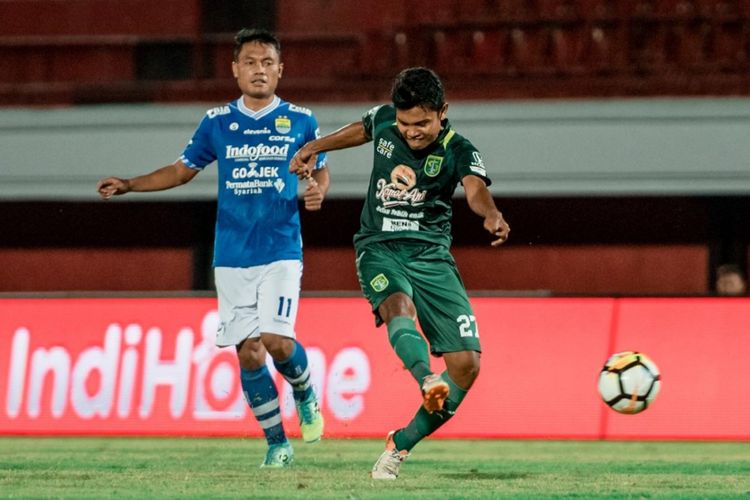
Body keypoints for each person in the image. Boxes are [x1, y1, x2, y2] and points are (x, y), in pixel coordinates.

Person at [97, 28, 328, 468]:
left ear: (280, 69)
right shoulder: (217, 122)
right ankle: (278, 444)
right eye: (250, 63)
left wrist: (317, 189)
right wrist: (131, 184)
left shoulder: (301, 120)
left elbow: (319, 168)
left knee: (278, 342)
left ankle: (304, 391)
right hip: (231, 254)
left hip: (280, 248)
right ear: (235, 69)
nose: (259, 70)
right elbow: (182, 171)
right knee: (248, 351)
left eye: (267, 63)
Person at [290, 67, 510, 479]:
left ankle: (401, 443)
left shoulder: (460, 149)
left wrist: (492, 215)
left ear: (442, 112)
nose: (412, 133)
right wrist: (314, 146)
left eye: (422, 123)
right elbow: (361, 130)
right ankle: (427, 378)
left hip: (431, 256)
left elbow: (476, 190)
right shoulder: (388, 120)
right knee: (397, 307)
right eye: (405, 124)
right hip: (379, 247)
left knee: (467, 366)